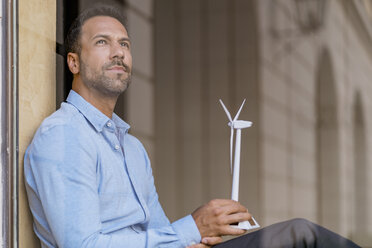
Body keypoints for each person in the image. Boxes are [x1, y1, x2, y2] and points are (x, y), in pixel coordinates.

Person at [24, 5, 360, 248]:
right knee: (299, 236)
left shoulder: (132, 149)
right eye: (102, 42)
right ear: (73, 62)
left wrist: (194, 238)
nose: (118, 53)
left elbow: (158, 234)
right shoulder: (64, 135)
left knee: (297, 236)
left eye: (124, 44)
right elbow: (82, 246)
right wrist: (191, 228)